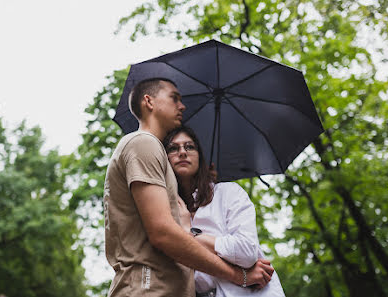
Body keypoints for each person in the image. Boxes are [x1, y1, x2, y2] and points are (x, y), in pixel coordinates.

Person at [104, 78, 274, 297]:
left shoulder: (206, 193)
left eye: (190, 147)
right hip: (148, 289)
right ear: (149, 102)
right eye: (174, 98)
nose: (182, 106)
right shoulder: (143, 143)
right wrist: (239, 276)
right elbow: (163, 234)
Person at [163, 126, 286, 297]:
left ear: (200, 156)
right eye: (173, 148)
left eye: (190, 146)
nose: (182, 152)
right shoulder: (164, 212)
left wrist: (190, 237)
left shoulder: (229, 193)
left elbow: (247, 251)